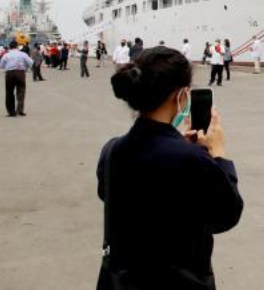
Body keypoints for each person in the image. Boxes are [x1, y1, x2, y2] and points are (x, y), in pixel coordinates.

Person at [97, 47, 243, 290]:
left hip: (120, 281)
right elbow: (226, 215)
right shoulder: (192, 159)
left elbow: (110, 194)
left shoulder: (111, 150)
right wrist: (218, 155)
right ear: (181, 96)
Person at [0, 43, 34, 117]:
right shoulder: (23, 54)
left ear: (9, 47)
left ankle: (11, 112)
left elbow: (1, 65)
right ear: (17, 47)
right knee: (21, 91)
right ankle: (20, 110)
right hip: (20, 72)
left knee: (9, 92)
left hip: (9, 73)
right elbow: (31, 62)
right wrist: (25, 66)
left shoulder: (6, 55)